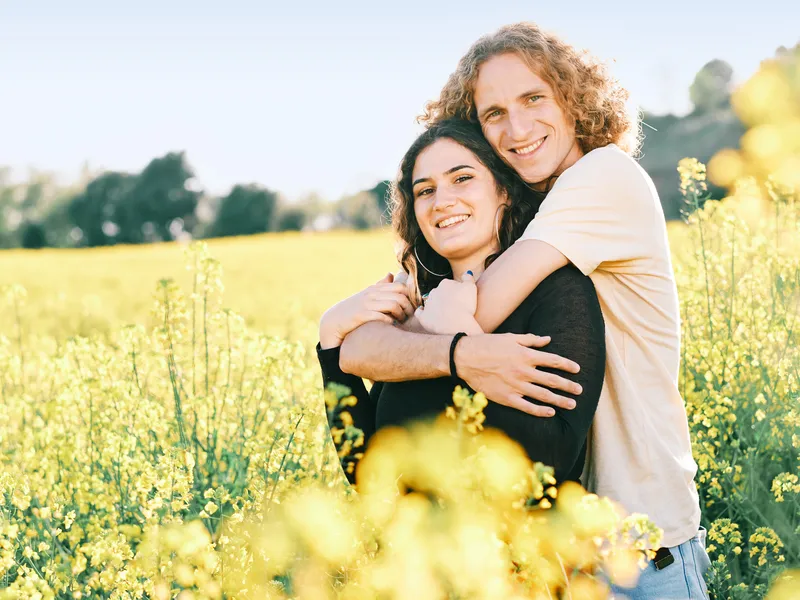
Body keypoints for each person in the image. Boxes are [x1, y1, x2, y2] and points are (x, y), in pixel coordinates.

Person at [338, 23, 710, 599]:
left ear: (574, 97)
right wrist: (354, 337)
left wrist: (358, 337)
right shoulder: (541, 208)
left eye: (534, 98)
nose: (517, 128)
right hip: (567, 552)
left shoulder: (602, 177)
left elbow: (469, 312)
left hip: (642, 542)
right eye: (492, 114)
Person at [317, 118, 605, 489]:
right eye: (425, 191)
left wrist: (459, 333)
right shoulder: (411, 318)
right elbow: (368, 478)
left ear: (503, 189)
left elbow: (551, 457)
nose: (442, 201)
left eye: (462, 178)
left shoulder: (558, 289)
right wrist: (330, 337)